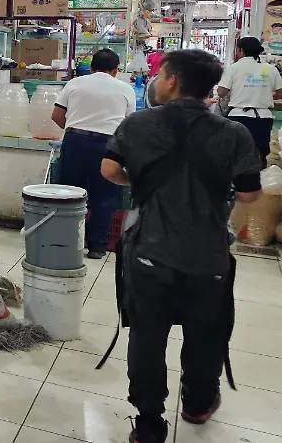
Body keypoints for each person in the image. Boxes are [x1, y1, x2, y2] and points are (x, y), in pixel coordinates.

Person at [101, 50, 262, 443]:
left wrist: (144, 182)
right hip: (208, 258)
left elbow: (109, 170)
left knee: (147, 337)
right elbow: (249, 195)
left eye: (159, 74)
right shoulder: (234, 133)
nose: (155, 81)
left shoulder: (138, 124)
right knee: (205, 334)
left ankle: (149, 424)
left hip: (149, 255)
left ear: (172, 81)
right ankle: (197, 403)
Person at [51, 48, 136, 259]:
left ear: (90, 67)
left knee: (70, 193)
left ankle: (67, 241)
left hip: (75, 142)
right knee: (104, 195)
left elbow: (57, 115)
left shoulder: (74, 84)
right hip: (108, 145)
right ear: (116, 70)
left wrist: (72, 129)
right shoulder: (126, 89)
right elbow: (128, 125)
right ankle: (97, 245)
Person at [216, 36, 282, 165]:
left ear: (241, 50)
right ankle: (258, 174)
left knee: (236, 152)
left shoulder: (233, 68)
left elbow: (221, 92)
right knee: (260, 152)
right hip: (263, 117)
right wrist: (262, 94)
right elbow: (280, 94)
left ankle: (236, 176)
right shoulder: (271, 69)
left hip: (238, 116)